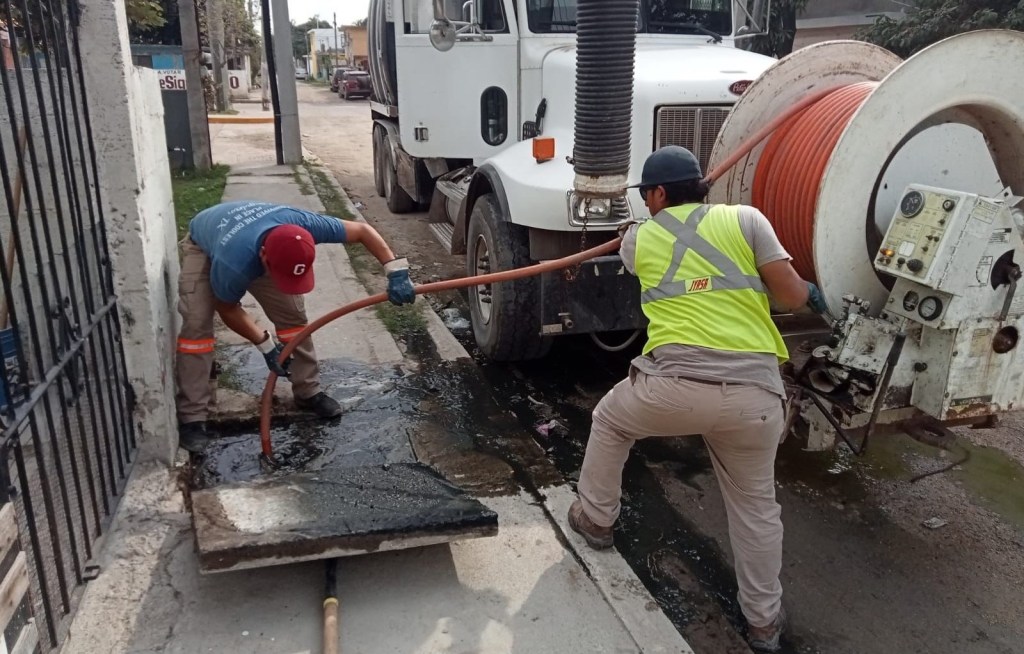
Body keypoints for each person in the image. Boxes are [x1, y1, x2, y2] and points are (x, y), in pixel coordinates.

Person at [566, 146, 828, 653]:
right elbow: (793, 297)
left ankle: (596, 519)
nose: (646, 202)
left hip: (673, 389)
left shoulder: (640, 239)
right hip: (755, 397)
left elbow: (633, 247)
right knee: (755, 508)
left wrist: (634, 229)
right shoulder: (748, 220)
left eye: (647, 195)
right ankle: (763, 623)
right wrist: (810, 291)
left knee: (611, 421)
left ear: (660, 193)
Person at [175, 200, 416, 453]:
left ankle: (308, 392)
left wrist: (395, 271)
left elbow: (363, 231)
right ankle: (194, 417)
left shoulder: (306, 224)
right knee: (196, 328)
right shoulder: (233, 264)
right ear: (264, 258)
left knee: (292, 317)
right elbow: (227, 308)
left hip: (261, 240)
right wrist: (265, 344)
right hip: (207, 244)